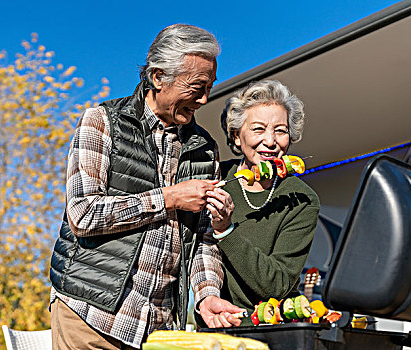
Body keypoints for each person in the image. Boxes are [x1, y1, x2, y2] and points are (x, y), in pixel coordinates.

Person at [48, 24, 244, 349]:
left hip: (157, 331)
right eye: (197, 86)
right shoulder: (102, 122)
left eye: (210, 86)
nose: (205, 98)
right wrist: (168, 198)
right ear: (158, 77)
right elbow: (83, 215)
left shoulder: (205, 149)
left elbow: (204, 239)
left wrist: (207, 295)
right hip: (90, 317)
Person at [204, 80, 320, 326]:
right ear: (236, 136)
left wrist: (226, 231)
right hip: (211, 325)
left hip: (268, 331)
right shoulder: (213, 179)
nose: (270, 141)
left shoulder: (301, 200)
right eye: (258, 129)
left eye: (280, 130)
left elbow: (277, 284)